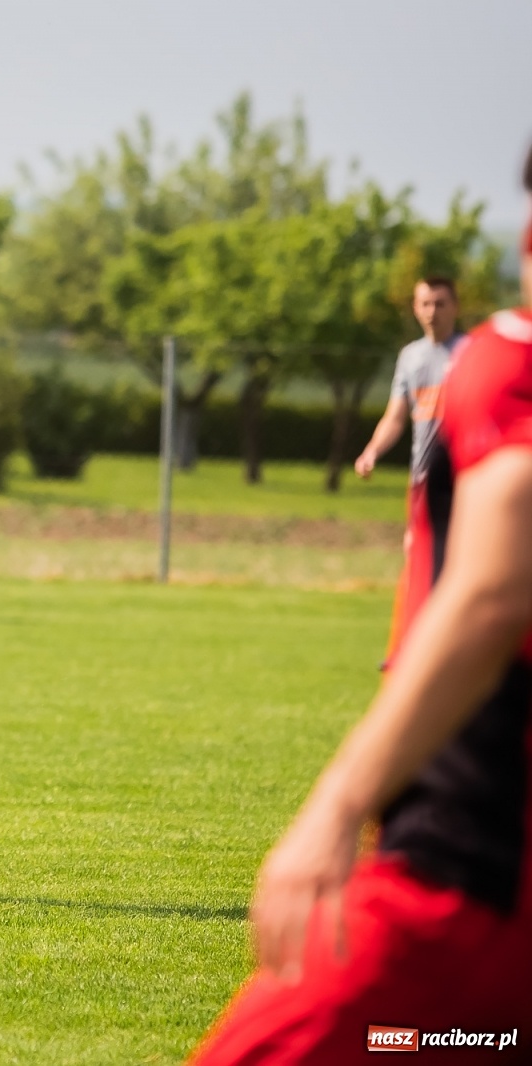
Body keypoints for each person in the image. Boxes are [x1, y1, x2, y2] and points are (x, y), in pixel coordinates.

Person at [189, 149, 532, 1063]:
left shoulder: (503, 361)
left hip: (475, 876)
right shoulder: (426, 364)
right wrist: (382, 451)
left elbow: (497, 591)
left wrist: (336, 810)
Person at [354, 278, 463, 662]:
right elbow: (396, 417)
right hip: (423, 480)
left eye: (440, 303)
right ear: (415, 309)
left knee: (462, 561)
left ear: (455, 307)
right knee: (416, 554)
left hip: (465, 480)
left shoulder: (469, 353)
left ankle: (453, 650)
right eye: (425, 304)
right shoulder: (411, 357)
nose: (433, 311)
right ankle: (409, 648)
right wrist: (372, 450)